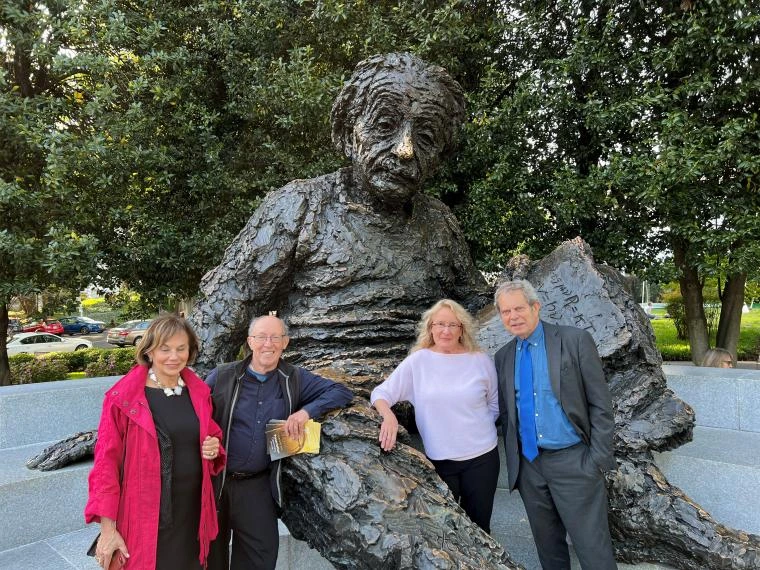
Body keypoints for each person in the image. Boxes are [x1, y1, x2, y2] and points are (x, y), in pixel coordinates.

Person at [190, 52, 489, 375]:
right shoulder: (300, 207)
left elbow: (478, 308)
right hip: (321, 391)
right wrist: (186, 400)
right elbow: (224, 309)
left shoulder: (439, 224)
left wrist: (515, 289)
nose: (406, 149)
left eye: (425, 137)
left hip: (424, 386)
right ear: (348, 133)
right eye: (385, 126)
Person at [205, 315, 353, 570]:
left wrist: (305, 412)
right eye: (261, 337)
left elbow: (341, 391)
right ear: (250, 341)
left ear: (285, 342)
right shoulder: (222, 376)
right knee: (209, 558)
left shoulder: (293, 377)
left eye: (276, 337)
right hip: (214, 483)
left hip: (257, 485)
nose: (268, 344)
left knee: (260, 558)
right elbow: (193, 412)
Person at [85, 314, 226, 570]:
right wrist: (108, 530)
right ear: (149, 350)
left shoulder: (199, 392)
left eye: (181, 348)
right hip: (146, 515)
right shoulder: (124, 399)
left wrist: (213, 447)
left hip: (193, 511)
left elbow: (211, 434)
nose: (174, 356)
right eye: (165, 349)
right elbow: (106, 465)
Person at [493, 280, 617, 570]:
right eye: (506, 311)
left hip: (575, 463)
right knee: (549, 552)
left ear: (536, 307)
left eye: (519, 308)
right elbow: (506, 414)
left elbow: (601, 405)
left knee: (593, 550)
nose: (513, 316)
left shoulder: (574, 340)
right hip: (530, 468)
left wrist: (596, 460)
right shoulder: (503, 357)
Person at [370, 299, 500, 533]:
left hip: (482, 459)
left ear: (462, 329)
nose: (446, 331)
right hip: (440, 462)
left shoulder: (479, 360)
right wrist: (388, 416)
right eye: (440, 324)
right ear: (430, 327)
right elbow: (381, 393)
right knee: (445, 533)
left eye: (453, 325)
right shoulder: (418, 362)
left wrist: (470, 430)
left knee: (480, 530)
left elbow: (494, 404)